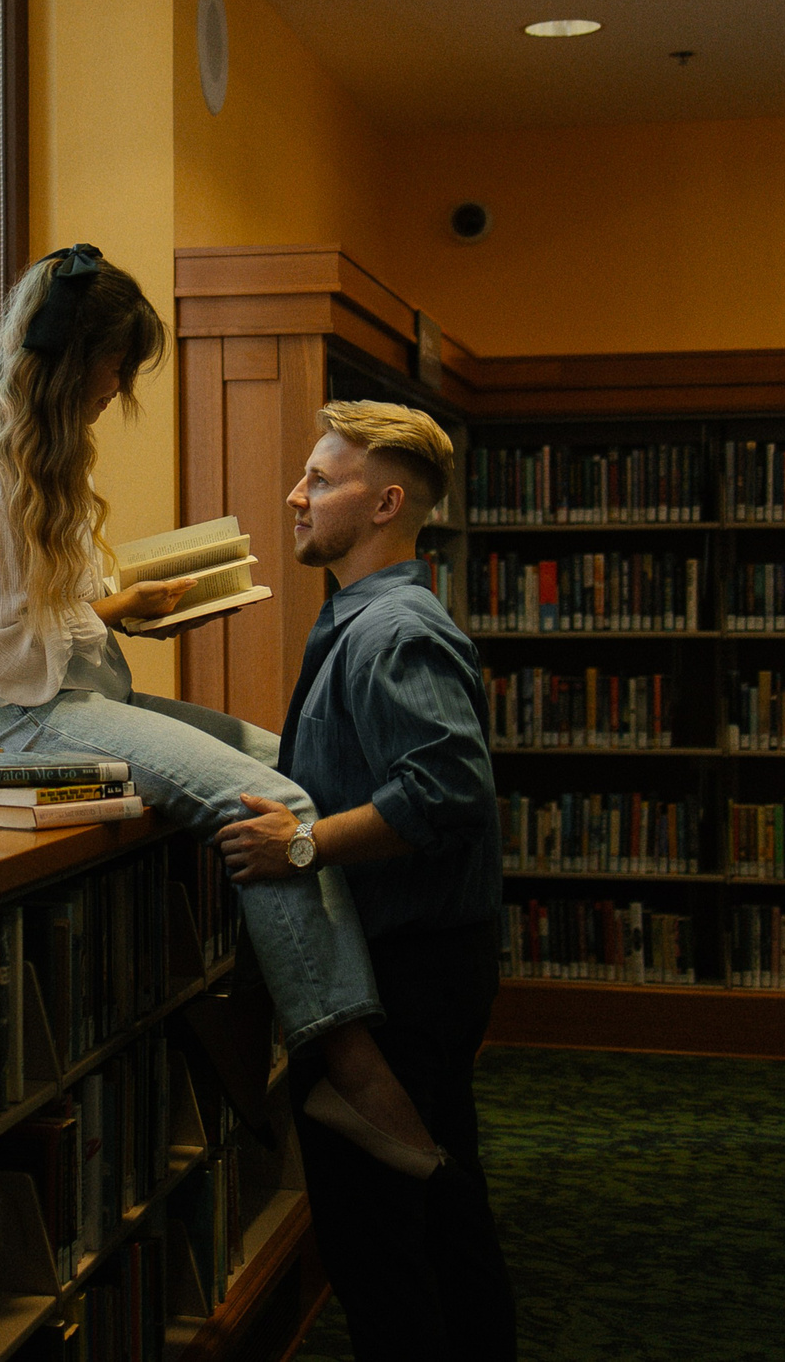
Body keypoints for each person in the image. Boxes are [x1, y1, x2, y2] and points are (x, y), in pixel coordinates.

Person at [0, 244, 442, 1175]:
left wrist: (120, 609)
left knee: (295, 768)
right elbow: (8, 663)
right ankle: (351, 1067)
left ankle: (278, 1004)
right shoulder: (0, 468)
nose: (119, 389)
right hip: (25, 721)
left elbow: (37, 620)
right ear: (80, 357)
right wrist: (100, 616)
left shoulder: (46, 456)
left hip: (70, 695)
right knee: (266, 805)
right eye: (117, 365)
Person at [217, 400, 514, 1362]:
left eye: (321, 479)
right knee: (431, 1215)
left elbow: (446, 791)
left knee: (386, 1242)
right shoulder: (359, 618)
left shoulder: (394, 633)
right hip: (408, 962)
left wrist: (298, 846)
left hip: (407, 976)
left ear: (386, 503)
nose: (295, 494)